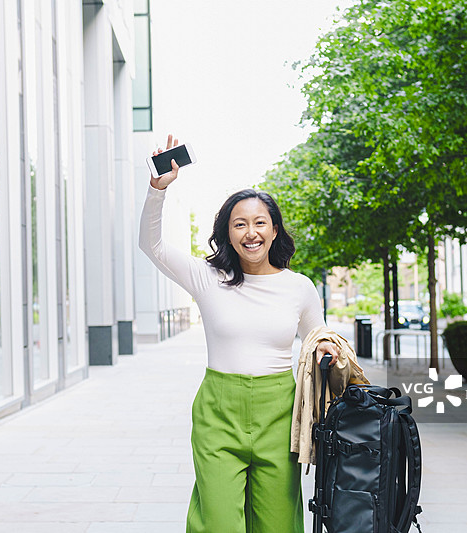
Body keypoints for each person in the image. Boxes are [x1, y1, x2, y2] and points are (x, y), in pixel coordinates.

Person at [139, 135, 340, 532]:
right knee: (217, 523)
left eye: (260, 222)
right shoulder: (207, 278)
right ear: (227, 233)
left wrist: (325, 348)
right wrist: (158, 190)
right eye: (240, 224)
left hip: (280, 415)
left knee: (278, 524)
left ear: (275, 230)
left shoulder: (298, 286)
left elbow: (317, 335)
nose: (251, 232)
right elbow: (153, 245)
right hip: (219, 413)